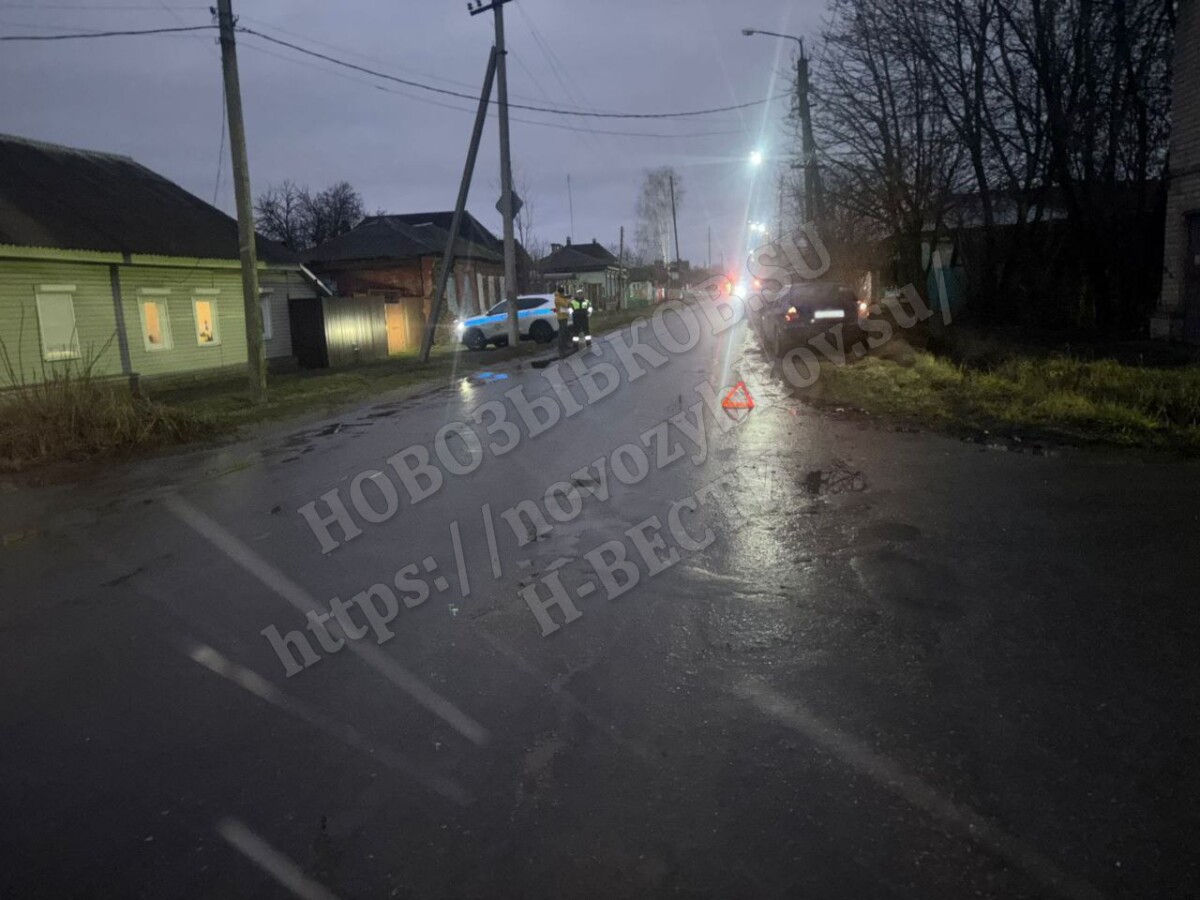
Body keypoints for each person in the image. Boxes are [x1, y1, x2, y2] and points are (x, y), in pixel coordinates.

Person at [553, 284, 573, 357]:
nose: (564, 294)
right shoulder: (558, 298)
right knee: (562, 332)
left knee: (564, 332)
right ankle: (561, 346)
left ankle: (564, 344)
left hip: (564, 316)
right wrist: (568, 300)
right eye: (563, 293)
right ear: (561, 292)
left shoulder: (560, 297)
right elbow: (566, 305)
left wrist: (566, 299)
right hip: (561, 317)